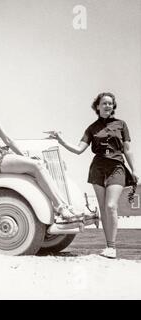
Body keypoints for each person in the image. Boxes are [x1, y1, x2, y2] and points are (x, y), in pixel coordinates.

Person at [0, 90, 83, 226]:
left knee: (40, 164)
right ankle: (61, 208)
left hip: (4, 153)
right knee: (37, 166)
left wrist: (24, 157)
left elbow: (8, 140)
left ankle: (61, 207)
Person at [48, 92, 139, 259]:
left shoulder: (121, 124)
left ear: (113, 106)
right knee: (104, 207)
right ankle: (108, 246)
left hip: (116, 166)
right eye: (104, 103)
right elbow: (78, 150)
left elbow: (127, 149)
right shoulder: (92, 128)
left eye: (110, 103)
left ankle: (112, 246)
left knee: (111, 206)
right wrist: (61, 140)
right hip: (97, 168)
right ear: (97, 106)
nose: (107, 106)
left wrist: (134, 170)